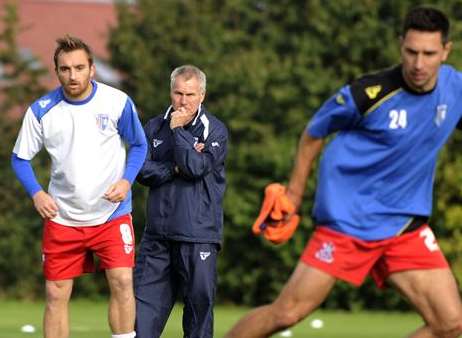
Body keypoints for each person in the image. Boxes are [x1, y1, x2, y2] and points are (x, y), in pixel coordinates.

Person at [226, 6, 462, 338]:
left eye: (429, 53)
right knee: (287, 313)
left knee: (450, 324)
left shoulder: (456, 90)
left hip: (404, 226)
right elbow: (313, 132)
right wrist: (294, 193)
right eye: (411, 52)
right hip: (349, 221)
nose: (419, 64)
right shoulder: (369, 93)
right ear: (400, 46)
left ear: (446, 51)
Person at [10, 35, 147, 338]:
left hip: (112, 214)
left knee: (123, 281)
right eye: (65, 69)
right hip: (63, 218)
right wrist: (37, 192)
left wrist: (126, 181)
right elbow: (20, 159)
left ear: (92, 69)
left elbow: (139, 145)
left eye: (79, 68)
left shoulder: (117, 102)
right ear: (57, 71)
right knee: (56, 294)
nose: (73, 75)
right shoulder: (41, 111)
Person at [135, 64, 228, 338]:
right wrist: (173, 167)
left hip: (198, 235)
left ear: (202, 96)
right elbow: (140, 170)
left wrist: (179, 134)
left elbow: (197, 168)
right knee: (141, 318)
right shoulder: (153, 126)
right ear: (170, 92)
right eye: (178, 93)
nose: (183, 101)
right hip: (157, 238)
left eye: (190, 94)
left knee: (199, 315)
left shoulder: (215, 130)